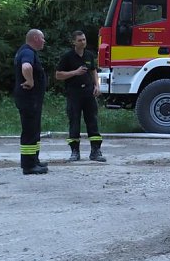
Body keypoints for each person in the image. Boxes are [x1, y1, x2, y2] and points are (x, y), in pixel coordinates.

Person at [55, 30, 106, 163]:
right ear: (74, 42)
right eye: (79, 40)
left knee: (92, 121)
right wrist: (75, 72)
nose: (83, 42)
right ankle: (74, 152)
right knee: (74, 122)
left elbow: (93, 71)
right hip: (74, 93)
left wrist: (97, 86)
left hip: (89, 92)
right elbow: (58, 75)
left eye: (84, 39)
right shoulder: (67, 57)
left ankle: (95, 151)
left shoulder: (89, 55)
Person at [14, 29, 48, 175]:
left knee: (34, 130)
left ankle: (34, 160)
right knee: (29, 131)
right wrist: (30, 80)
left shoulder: (26, 51)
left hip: (31, 100)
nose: (44, 41)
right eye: (42, 38)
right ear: (35, 38)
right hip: (29, 99)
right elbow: (26, 66)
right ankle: (28, 166)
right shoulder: (28, 52)